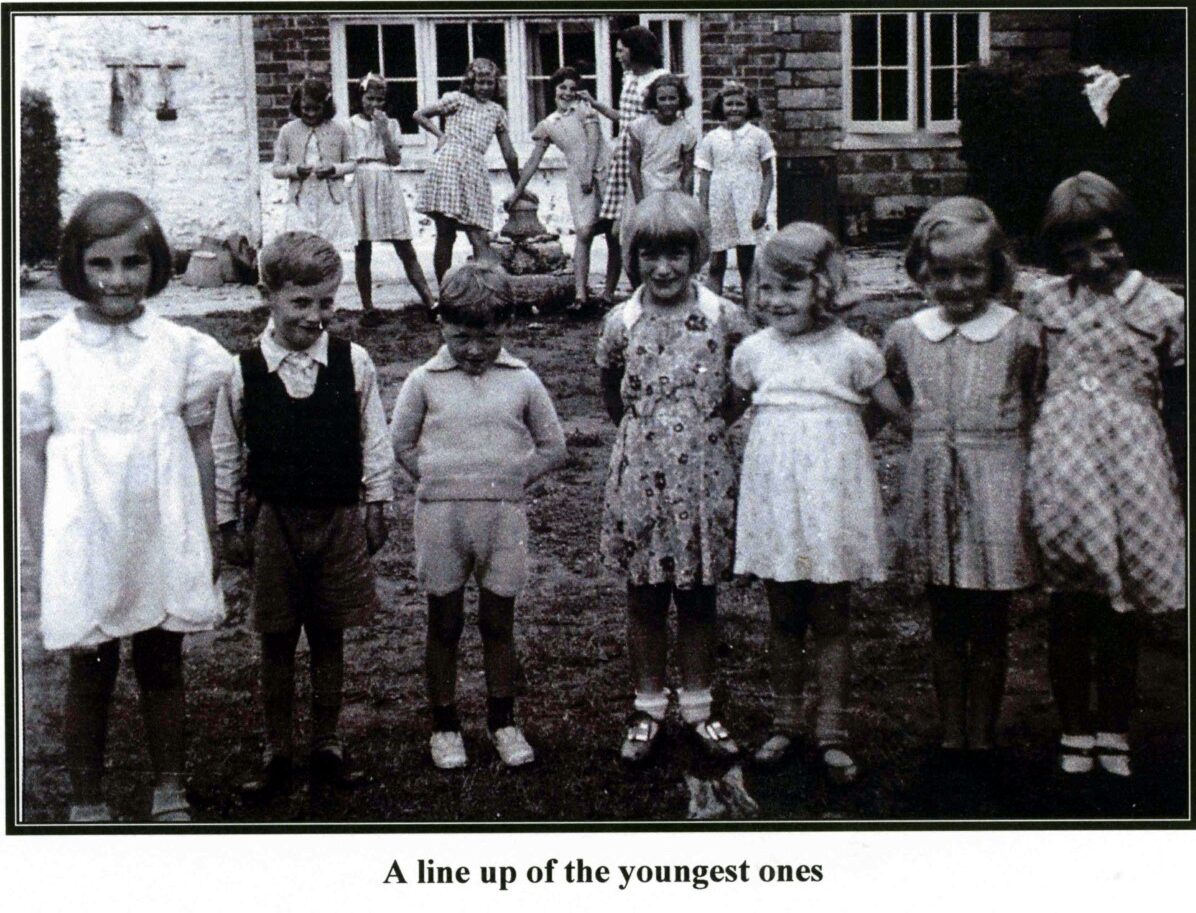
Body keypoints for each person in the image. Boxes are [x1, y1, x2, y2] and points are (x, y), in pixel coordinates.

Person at [20, 191, 232, 822]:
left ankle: (169, 786)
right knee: (92, 664)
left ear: (157, 264)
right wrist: (41, 541)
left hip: (160, 520)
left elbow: (199, 444)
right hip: (86, 529)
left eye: (133, 263)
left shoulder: (178, 348)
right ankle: (88, 799)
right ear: (75, 268)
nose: (118, 280)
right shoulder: (47, 355)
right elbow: (30, 457)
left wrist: (208, 526)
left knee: (162, 656)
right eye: (101, 265)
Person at [212, 231, 392, 799]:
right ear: (268, 295)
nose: (315, 316)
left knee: (330, 635)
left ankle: (327, 741)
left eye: (326, 303)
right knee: (276, 638)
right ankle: (277, 748)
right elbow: (225, 449)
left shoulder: (352, 361)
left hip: (337, 518)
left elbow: (375, 437)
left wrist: (378, 503)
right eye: (301, 303)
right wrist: (227, 522)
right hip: (274, 524)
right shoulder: (243, 371)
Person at [1025, 172, 1186, 778]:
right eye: (1075, 253)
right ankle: (1074, 728)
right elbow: (1029, 382)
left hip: (1133, 467)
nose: (1093, 262)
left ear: (1128, 236)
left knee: (1122, 609)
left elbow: (1178, 400)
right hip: (1065, 468)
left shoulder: (1165, 308)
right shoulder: (1045, 303)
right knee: (1070, 604)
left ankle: (1115, 727)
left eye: (1105, 246)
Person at [729, 223, 901, 784]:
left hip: (832, 491)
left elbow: (891, 412)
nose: (775, 301)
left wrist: (843, 447)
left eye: (791, 288)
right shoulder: (754, 351)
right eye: (767, 289)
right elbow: (725, 412)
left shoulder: (854, 351)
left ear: (824, 288)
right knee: (783, 613)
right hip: (776, 491)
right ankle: (785, 720)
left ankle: (832, 728)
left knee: (830, 612)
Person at [596, 192, 755, 764]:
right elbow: (611, 390)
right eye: (649, 256)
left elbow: (742, 384)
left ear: (697, 255)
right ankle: (647, 707)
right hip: (640, 473)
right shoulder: (623, 320)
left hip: (703, 474)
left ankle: (698, 707)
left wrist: (706, 427)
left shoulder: (721, 315)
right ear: (632, 257)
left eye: (677, 255)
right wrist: (646, 433)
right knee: (644, 594)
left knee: (697, 593)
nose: (663, 268)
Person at [390, 261, 567, 769]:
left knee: (498, 622)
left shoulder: (522, 380)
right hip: (441, 519)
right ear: (441, 323)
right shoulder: (424, 381)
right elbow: (399, 441)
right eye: (461, 336)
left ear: (505, 328)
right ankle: (444, 725)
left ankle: (503, 720)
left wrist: (514, 479)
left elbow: (554, 446)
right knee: (444, 621)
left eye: (486, 338)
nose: (473, 350)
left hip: (501, 518)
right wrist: (432, 478)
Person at [884, 198, 1039, 762]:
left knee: (991, 622)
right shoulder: (906, 334)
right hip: (932, 488)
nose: (956, 286)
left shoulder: (1019, 334)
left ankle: (984, 735)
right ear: (921, 271)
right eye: (941, 273)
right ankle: (952, 735)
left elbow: (1035, 403)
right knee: (945, 619)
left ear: (996, 270)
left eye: (971, 272)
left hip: (995, 488)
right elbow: (885, 400)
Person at [504, 67, 616, 314]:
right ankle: (580, 295)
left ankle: (608, 294)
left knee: (613, 233)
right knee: (584, 231)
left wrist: (590, 171)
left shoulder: (585, 109)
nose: (567, 93)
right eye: (562, 87)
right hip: (578, 178)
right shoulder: (549, 124)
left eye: (572, 88)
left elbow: (595, 139)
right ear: (553, 89)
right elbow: (534, 161)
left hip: (605, 171)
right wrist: (517, 192)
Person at [414, 58, 523, 284]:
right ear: (471, 83)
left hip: (474, 169)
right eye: (480, 82)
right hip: (448, 166)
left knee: (479, 234)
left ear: (496, 84)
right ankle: (446, 294)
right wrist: (441, 136)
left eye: (489, 83)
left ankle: (485, 294)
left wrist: (519, 187)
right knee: (446, 234)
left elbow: (510, 154)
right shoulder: (458, 100)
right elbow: (419, 114)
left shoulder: (497, 111)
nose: (484, 88)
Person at [347, 72, 436, 323]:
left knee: (404, 244)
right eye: (369, 99)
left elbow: (395, 159)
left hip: (385, 181)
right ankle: (368, 308)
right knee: (362, 248)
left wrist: (383, 130)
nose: (374, 105)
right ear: (360, 97)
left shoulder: (392, 124)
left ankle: (430, 301)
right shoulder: (349, 125)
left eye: (379, 100)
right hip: (361, 182)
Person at [585, 25, 669, 285]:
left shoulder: (659, 80)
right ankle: (637, 290)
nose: (618, 55)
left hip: (647, 161)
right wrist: (595, 103)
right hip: (624, 160)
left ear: (637, 51)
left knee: (643, 229)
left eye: (621, 50)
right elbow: (626, 120)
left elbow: (662, 127)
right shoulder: (629, 79)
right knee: (619, 232)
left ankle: (649, 288)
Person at [696, 82, 775, 297]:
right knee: (716, 263)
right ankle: (716, 315)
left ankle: (750, 314)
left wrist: (762, 207)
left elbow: (768, 175)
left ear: (749, 107)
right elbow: (704, 177)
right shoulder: (711, 138)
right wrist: (702, 209)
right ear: (721, 108)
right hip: (719, 204)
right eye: (729, 104)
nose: (734, 108)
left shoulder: (758, 136)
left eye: (739, 104)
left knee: (747, 264)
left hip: (747, 203)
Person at [272, 78, 354, 248]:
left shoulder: (339, 130)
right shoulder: (288, 130)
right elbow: (276, 169)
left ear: (326, 106)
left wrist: (333, 169)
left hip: (331, 198)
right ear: (297, 106)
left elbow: (352, 163)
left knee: (330, 247)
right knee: (302, 247)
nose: (311, 113)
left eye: (316, 108)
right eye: (306, 109)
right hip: (301, 197)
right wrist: (295, 170)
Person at [625, 74, 697, 244]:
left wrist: (686, 203)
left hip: (671, 190)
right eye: (662, 99)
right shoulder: (640, 126)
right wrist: (640, 201)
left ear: (681, 100)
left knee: (669, 238)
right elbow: (634, 165)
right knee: (644, 238)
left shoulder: (687, 131)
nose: (667, 103)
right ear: (654, 100)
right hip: (645, 187)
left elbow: (688, 172)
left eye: (672, 98)